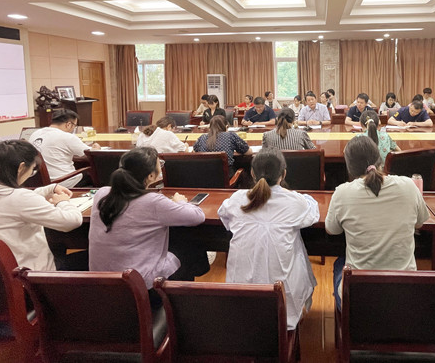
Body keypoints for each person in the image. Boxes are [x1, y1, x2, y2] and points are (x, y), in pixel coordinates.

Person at [218, 148, 319, 330]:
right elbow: (313, 213)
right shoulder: (294, 202)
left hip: (240, 303)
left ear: (252, 173)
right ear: (283, 174)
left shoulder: (237, 199)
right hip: (282, 304)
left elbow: (224, 217)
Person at [325, 136, 428, 310]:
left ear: (349, 166)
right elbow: (419, 224)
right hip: (404, 294)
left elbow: (332, 230)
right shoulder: (409, 185)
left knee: (339, 264)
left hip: (359, 299)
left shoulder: (342, 193)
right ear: (379, 158)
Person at [89, 147, 208, 293]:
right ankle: (180, 300)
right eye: (160, 164)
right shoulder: (153, 201)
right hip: (140, 287)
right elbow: (197, 216)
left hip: (101, 284)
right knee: (190, 245)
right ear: (151, 176)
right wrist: (180, 201)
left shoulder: (101, 193)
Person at [0, 140, 82, 270]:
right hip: (28, 276)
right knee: (88, 257)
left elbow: (7, 204)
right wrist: (63, 201)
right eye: (32, 170)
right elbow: (71, 221)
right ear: (21, 167)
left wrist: (45, 190)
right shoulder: (19, 198)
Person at [29, 109, 101, 187]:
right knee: (97, 174)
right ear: (68, 124)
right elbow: (91, 155)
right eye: (74, 126)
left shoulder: (35, 134)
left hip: (39, 183)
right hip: (63, 182)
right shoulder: (67, 137)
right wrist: (96, 148)